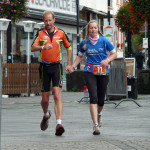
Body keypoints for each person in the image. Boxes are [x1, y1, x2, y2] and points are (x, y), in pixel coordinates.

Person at [68, 20, 117, 135]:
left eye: (95, 28)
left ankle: (98, 115)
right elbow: (80, 57)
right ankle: (95, 126)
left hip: (102, 71)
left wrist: (107, 60)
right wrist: (73, 66)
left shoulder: (104, 41)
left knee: (101, 100)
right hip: (89, 71)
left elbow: (114, 53)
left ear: (98, 29)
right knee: (93, 97)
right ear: (88, 30)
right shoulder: (84, 42)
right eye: (91, 28)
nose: (93, 30)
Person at [31, 10, 72, 136]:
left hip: (56, 67)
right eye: (46, 20)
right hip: (44, 67)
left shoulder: (61, 33)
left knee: (57, 95)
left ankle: (59, 123)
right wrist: (43, 47)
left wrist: (69, 63)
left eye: (50, 20)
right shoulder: (40, 33)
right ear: (43, 21)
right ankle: (46, 114)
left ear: (54, 20)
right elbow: (32, 48)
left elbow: (69, 47)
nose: (48, 23)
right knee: (45, 100)